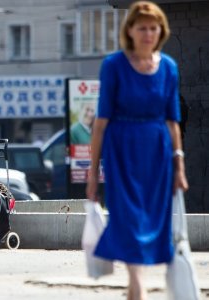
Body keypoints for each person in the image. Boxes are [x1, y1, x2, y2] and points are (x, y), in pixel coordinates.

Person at [85, 2, 188, 299]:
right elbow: (101, 124)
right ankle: (139, 287)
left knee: (152, 220)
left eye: (153, 28)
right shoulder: (114, 65)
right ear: (129, 30)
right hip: (122, 152)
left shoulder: (168, 67)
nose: (147, 33)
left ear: (161, 31)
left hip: (158, 154)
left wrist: (179, 165)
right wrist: (93, 174)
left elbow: (173, 122)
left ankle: (134, 288)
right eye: (141, 27)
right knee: (128, 219)